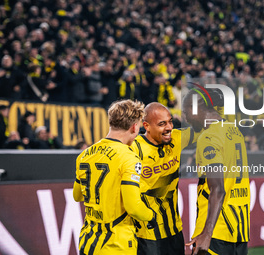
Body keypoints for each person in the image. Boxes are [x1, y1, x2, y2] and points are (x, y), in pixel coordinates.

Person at [73, 99, 156, 255]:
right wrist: (151, 216)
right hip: (116, 244)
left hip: (88, 241)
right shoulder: (128, 158)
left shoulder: (84, 155)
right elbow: (134, 207)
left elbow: (77, 196)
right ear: (134, 127)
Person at [183, 88, 250, 255]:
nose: (185, 117)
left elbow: (218, 189)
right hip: (239, 228)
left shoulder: (209, 137)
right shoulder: (234, 131)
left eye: (186, 111)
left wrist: (207, 233)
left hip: (216, 230)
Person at [130, 102, 197, 255]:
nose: (169, 128)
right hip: (147, 236)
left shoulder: (177, 138)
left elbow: (206, 131)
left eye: (170, 121)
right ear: (146, 125)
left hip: (174, 232)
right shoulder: (134, 148)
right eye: (162, 124)